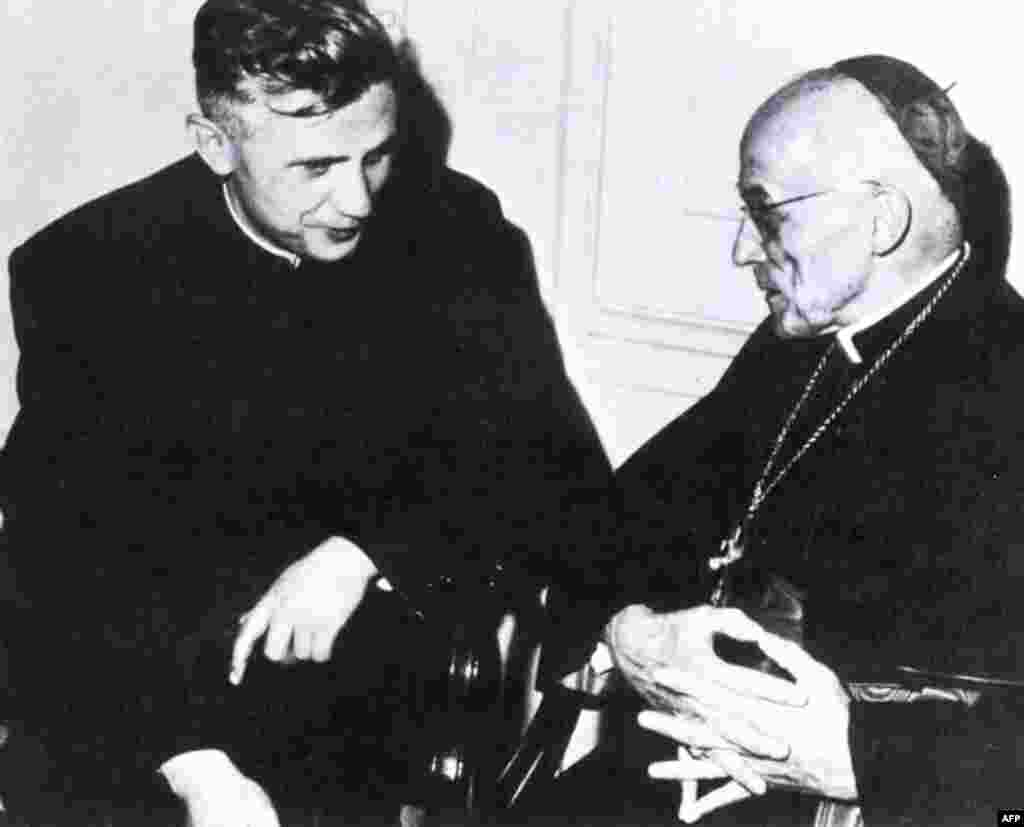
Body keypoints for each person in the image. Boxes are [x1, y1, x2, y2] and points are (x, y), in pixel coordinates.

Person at [0, 1, 612, 823]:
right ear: (215, 143)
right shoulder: (90, 270)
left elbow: (556, 468)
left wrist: (369, 548)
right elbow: (61, 553)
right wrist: (195, 762)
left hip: (350, 685)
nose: (356, 199)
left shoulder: (460, 234)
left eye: (378, 155)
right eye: (315, 167)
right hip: (131, 686)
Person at [541, 55, 1023, 826]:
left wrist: (865, 760)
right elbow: (612, 519)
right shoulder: (789, 351)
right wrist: (630, 631)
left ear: (882, 220)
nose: (741, 250)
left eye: (767, 214)